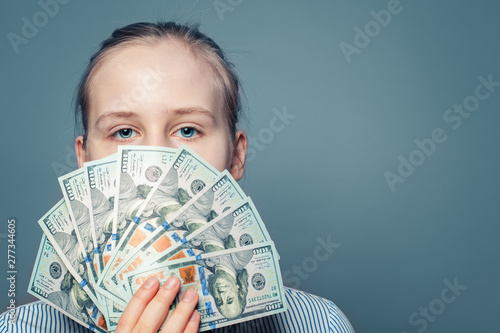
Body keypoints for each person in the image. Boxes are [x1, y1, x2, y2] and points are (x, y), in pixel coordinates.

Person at [0, 21, 354, 332]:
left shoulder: (319, 324)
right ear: (85, 161)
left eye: (187, 130)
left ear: (235, 156)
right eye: (124, 132)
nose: (158, 161)